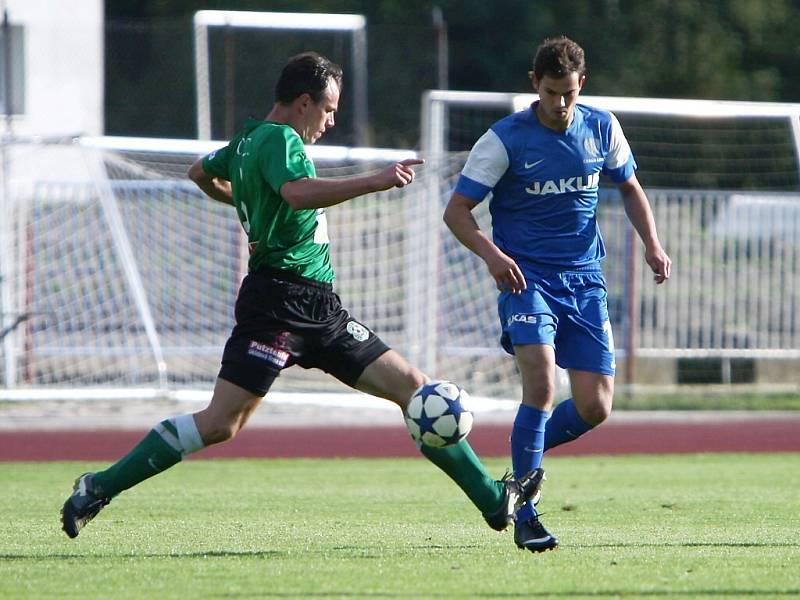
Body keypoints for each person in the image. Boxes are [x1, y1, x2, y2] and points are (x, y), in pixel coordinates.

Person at [61, 52, 543, 539]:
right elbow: (296, 192)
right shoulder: (282, 138)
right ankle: (97, 485)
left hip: (322, 310)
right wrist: (375, 181)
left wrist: (250, 199)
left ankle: (491, 498)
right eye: (329, 110)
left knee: (414, 389)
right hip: (276, 305)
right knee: (219, 424)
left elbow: (200, 173)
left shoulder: (247, 140)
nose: (331, 121)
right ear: (304, 102)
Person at [443, 36, 672, 553]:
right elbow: (457, 212)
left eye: (569, 93)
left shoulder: (602, 127)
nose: (561, 104)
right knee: (542, 386)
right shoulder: (504, 140)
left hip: (585, 279)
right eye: (551, 93)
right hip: (525, 280)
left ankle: (520, 469)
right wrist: (494, 257)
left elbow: (630, 187)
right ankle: (525, 511)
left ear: (581, 85)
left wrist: (653, 245)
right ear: (534, 86)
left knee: (595, 406)